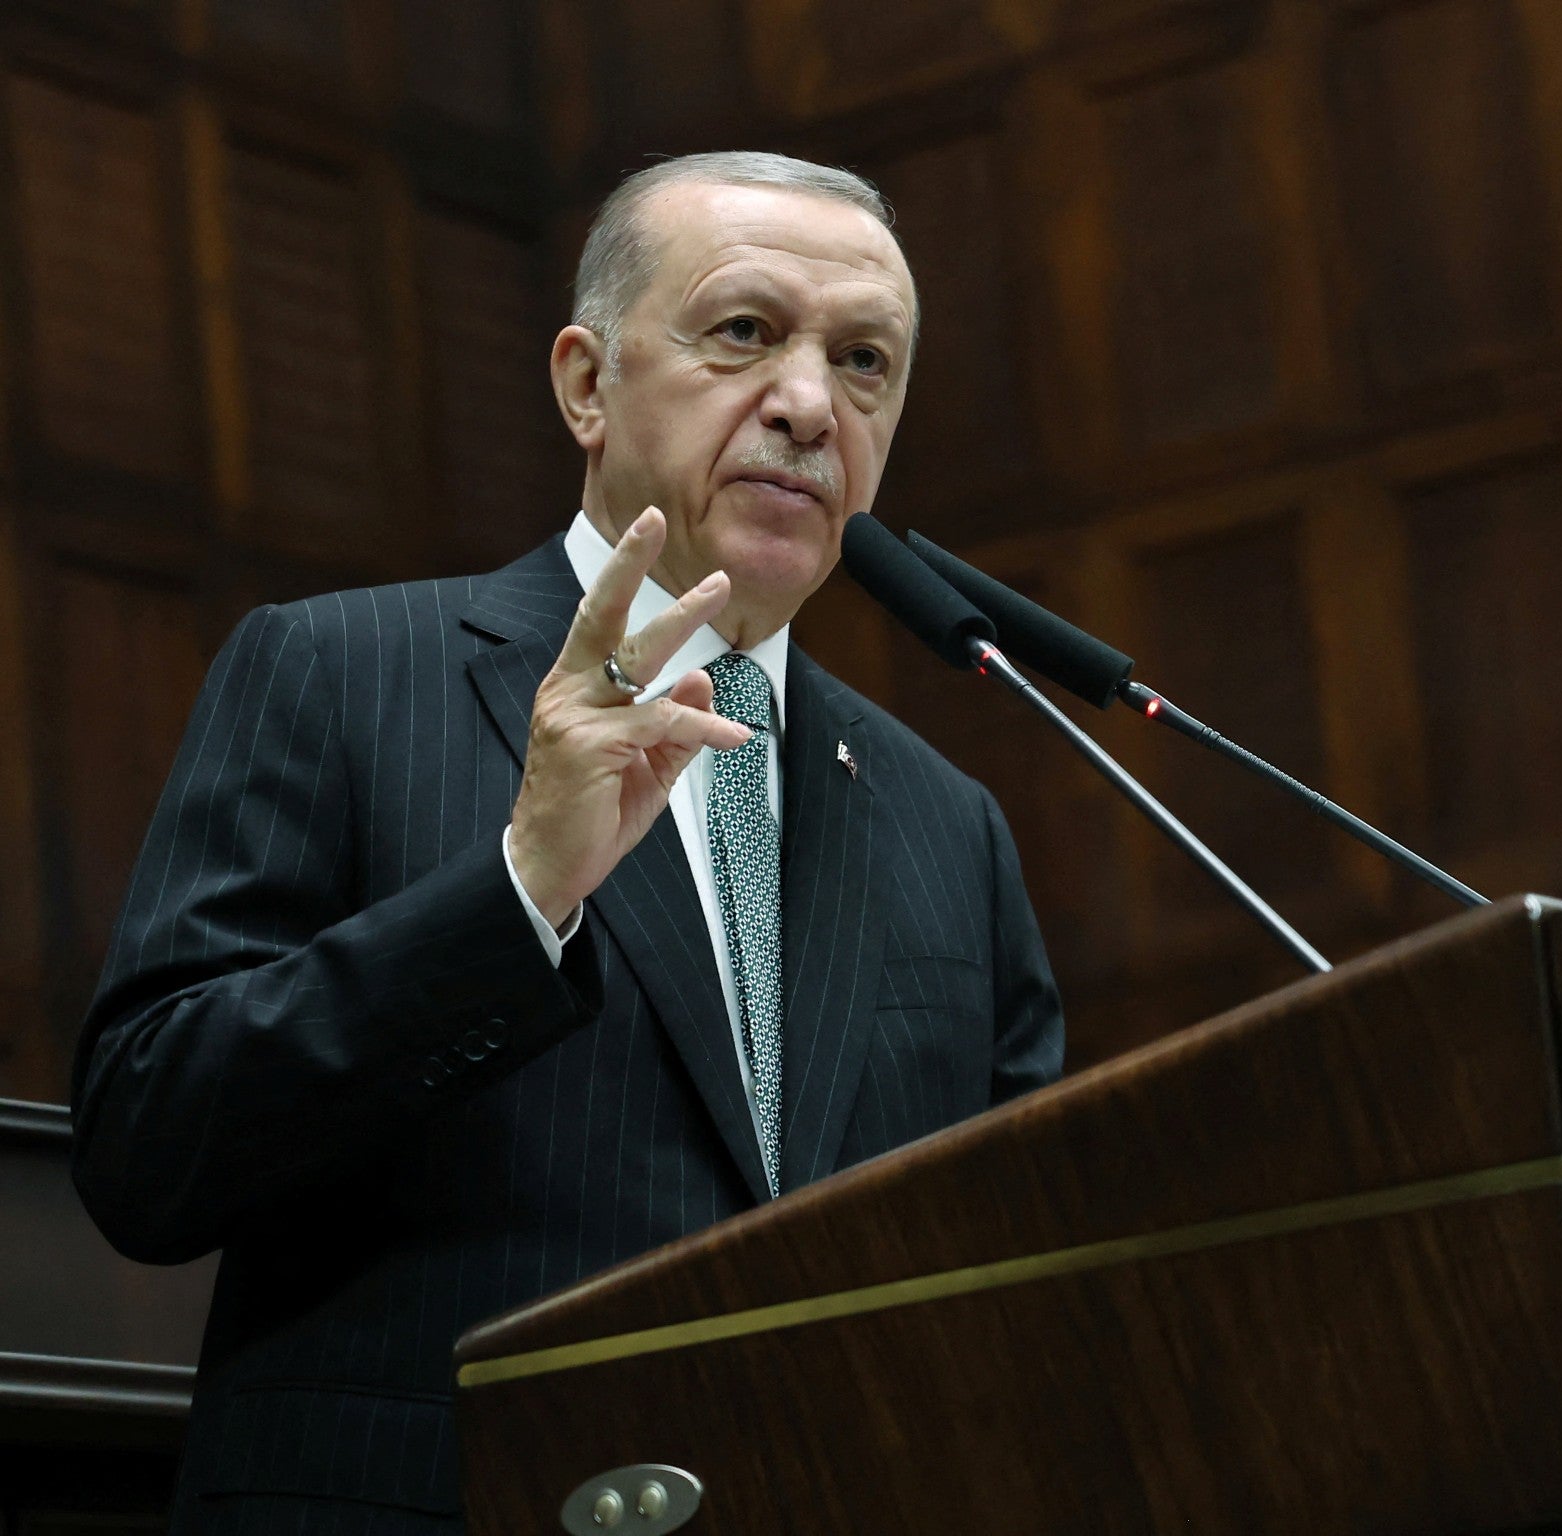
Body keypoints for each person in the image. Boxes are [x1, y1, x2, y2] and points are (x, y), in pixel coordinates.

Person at [69, 150, 1063, 1536]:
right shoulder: (343, 674)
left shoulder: (946, 819)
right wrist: (519, 888)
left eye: (865, 363)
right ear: (587, 385)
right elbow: (148, 1150)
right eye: (744, 333)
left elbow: (1021, 1284)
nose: (807, 402)